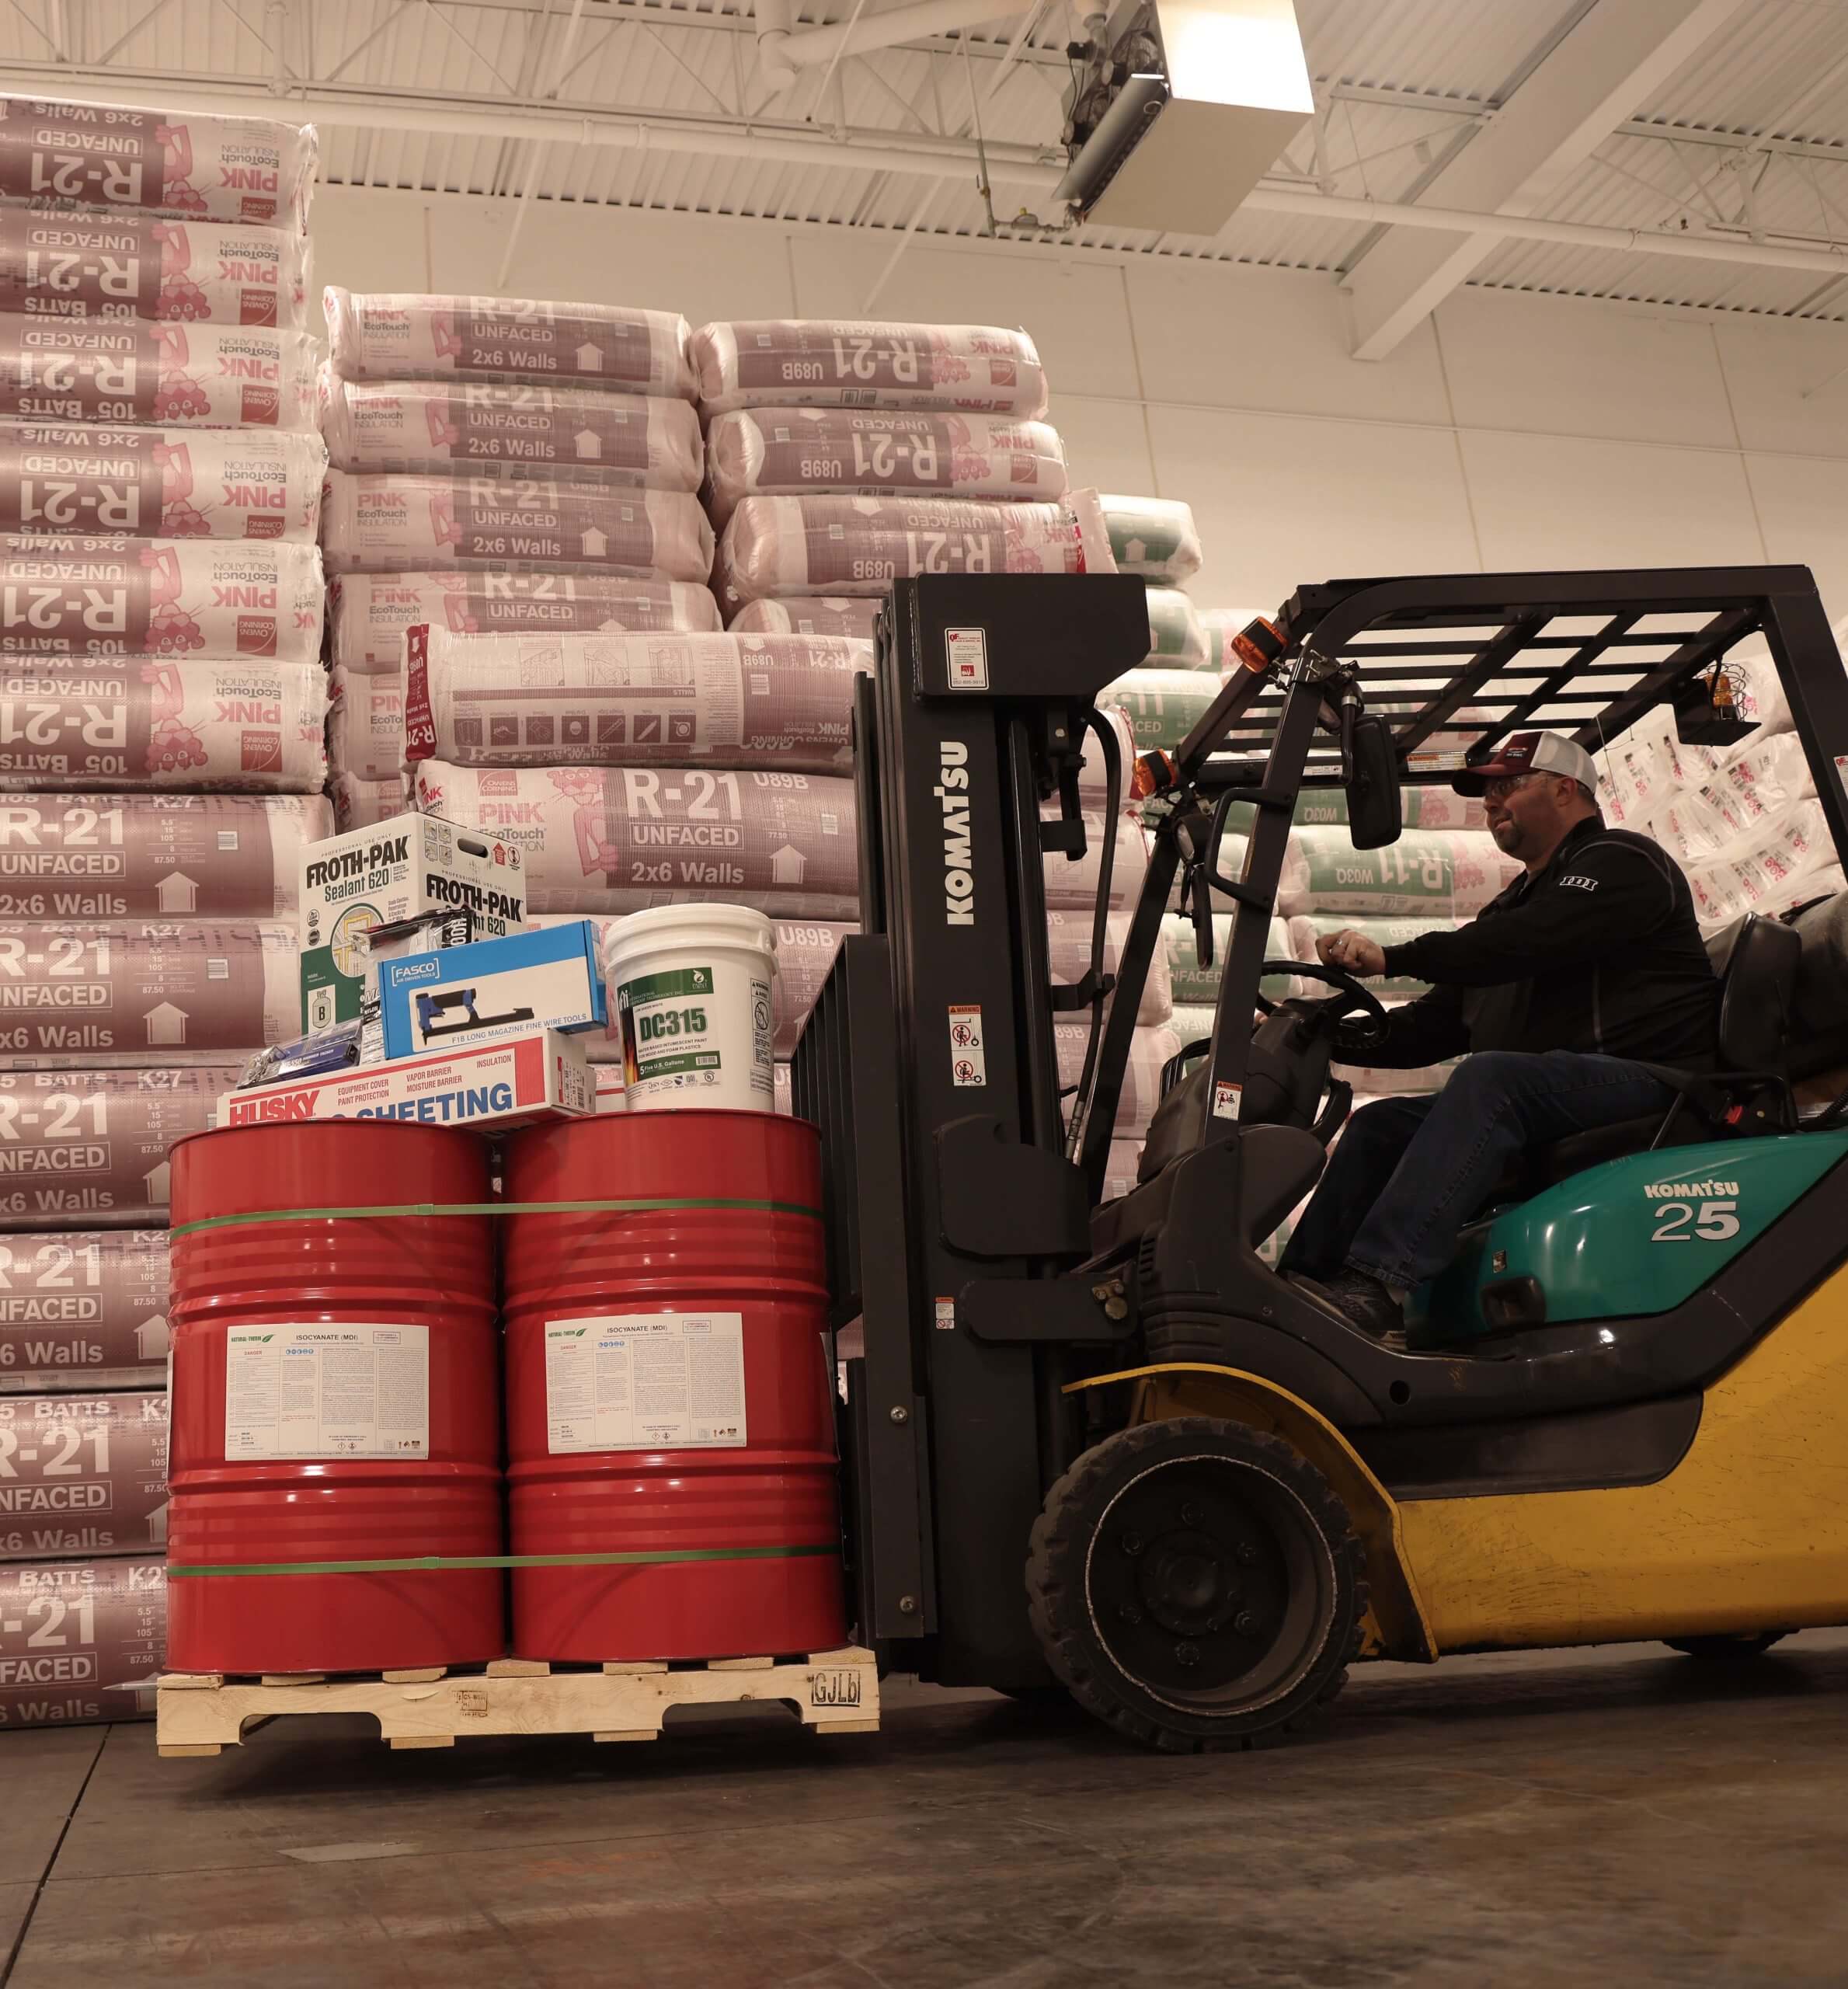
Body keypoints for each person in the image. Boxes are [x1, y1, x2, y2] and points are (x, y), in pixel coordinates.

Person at [1280, 730, 1720, 1342]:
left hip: (1648, 1077)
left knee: (1491, 1079)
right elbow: (1433, 1026)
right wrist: (1322, 1035)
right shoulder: (1509, 910)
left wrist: (1393, 956)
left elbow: (1528, 942)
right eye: (1485, 794)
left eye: (1506, 786)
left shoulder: (1621, 862)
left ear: (1566, 789)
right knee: (1381, 1126)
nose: (1489, 804)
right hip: (1554, 1091)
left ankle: (1379, 1283)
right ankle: (1303, 1289)